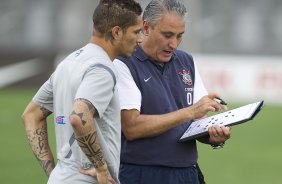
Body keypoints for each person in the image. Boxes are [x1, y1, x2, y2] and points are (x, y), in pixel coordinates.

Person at [21, 0, 143, 184]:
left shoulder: (68, 63)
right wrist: (102, 169)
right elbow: (79, 116)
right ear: (117, 32)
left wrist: (54, 172)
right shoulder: (102, 69)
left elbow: (31, 115)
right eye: (136, 31)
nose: (140, 39)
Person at [113, 0, 231, 183]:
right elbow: (132, 127)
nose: (174, 44)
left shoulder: (186, 61)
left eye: (179, 36)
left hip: (187, 173)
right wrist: (190, 112)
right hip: (143, 174)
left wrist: (213, 135)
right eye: (167, 35)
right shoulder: (124, 63)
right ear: (146, 27)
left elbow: (197, 120)